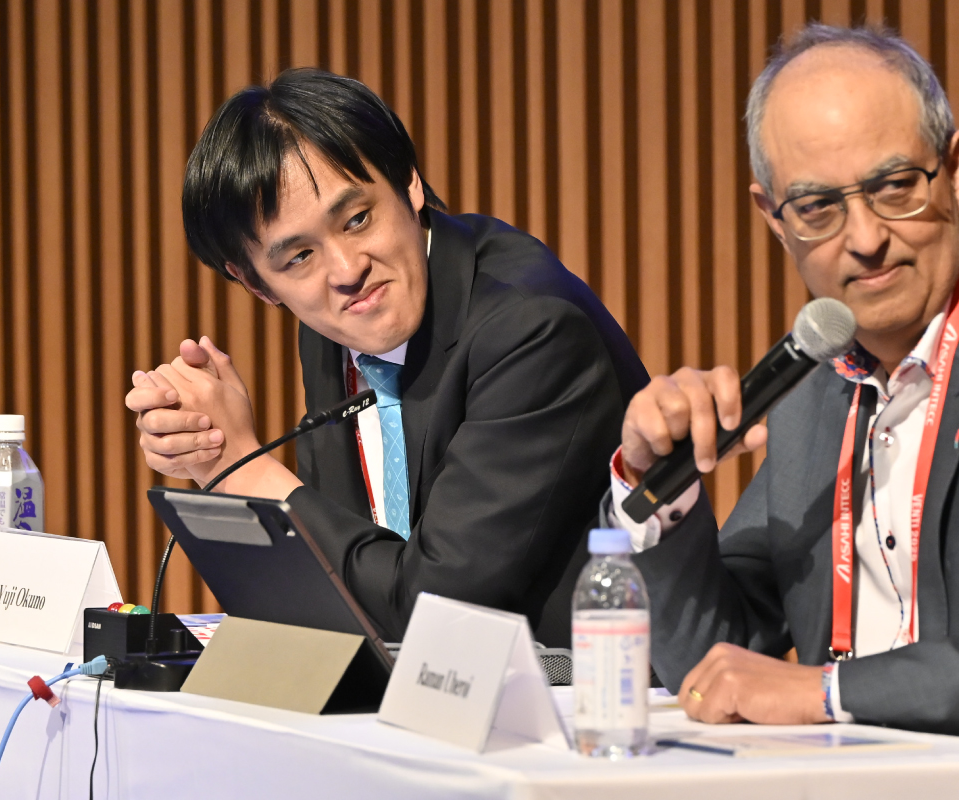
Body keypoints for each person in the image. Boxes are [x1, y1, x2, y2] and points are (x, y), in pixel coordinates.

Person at [126, 68, 648, 645]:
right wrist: (210, 452)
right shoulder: (338, 320)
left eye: (357, 219)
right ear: (256, 283)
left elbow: (431, 610)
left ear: (409, 182)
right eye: (299, 257)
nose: (347, 270)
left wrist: (246, 469)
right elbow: (347, 576)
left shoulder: (531, 331)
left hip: (589, 683)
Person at [610, 24, 959, 733]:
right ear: (773, 217)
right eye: (818, 207)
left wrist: (827, 693)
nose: (866, 239)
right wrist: (658, 480)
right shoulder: (812, 395)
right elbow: (714, 663)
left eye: (895, 187)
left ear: (953, 170)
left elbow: (796, 691)